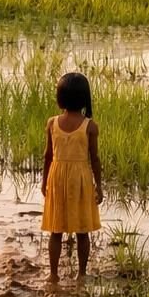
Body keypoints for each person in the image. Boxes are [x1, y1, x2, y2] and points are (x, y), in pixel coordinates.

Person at [41, 71, 103, 281]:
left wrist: (44, 182)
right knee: (82, 230)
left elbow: (47, 156)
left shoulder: (52, 123)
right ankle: (82, 273)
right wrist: (99, 185)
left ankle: (53, 274)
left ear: (60, 98)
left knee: (55, 230)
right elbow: (94, 159)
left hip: (57, 177)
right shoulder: (89, 126)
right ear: (85, 98)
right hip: (81, 180)